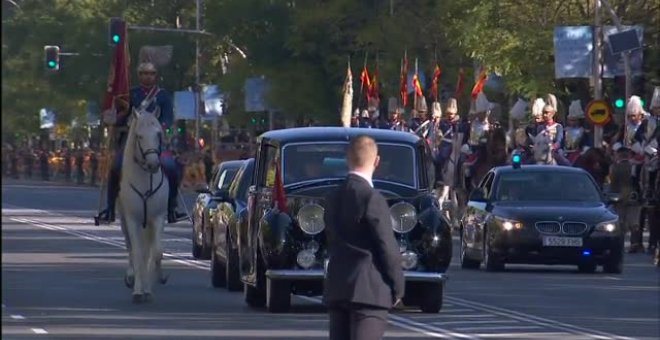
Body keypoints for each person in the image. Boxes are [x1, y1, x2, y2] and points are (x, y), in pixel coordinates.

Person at [323, 135, 405, 340]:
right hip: (369, 290)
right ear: (376, 161)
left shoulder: (332, 197)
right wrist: (397, 286)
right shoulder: (372, 198)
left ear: (347, 159)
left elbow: (331, 239)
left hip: (338, 287)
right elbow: (386, 245)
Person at [98, 62, 188, 224]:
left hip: (154, 142)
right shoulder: (130, 95)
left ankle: (172, 208)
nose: (148, 76)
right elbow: (122, 116)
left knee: (171, 167)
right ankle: (110, 208)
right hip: (132, 141)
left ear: (155, 75)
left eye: (151, 73)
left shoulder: (162, 96)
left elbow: (168, 117)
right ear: (139, 76)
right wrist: (113, 119)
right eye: (144, 73)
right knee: (116, 167)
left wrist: (161, 127)